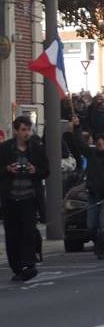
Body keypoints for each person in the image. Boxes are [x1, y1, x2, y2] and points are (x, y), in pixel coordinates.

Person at [0, 116, 50, 282]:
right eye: (23, 130)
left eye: (28, 129)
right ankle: (17, 267)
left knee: (28, 232)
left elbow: (45, 170)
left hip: (29, 197)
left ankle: (29, 264)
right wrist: (7, 169)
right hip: (10, 198)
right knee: (12, 234)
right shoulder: (6, 148)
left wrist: (34, 170)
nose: (26, 133)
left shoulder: (36, 148)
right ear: (16, 131)